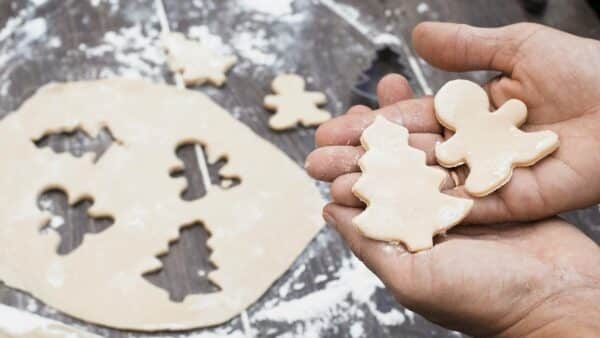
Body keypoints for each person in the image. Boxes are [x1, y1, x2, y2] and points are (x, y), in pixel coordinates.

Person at [306, 22, 600, 337]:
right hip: (489, 160)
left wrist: (561, 310)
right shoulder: (468, 131)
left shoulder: (484, 121)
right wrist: (566, 310)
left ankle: (530, 146)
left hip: (508, 146)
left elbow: (479, 132)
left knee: (523, 147)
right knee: (495, 166)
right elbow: (451, 150)